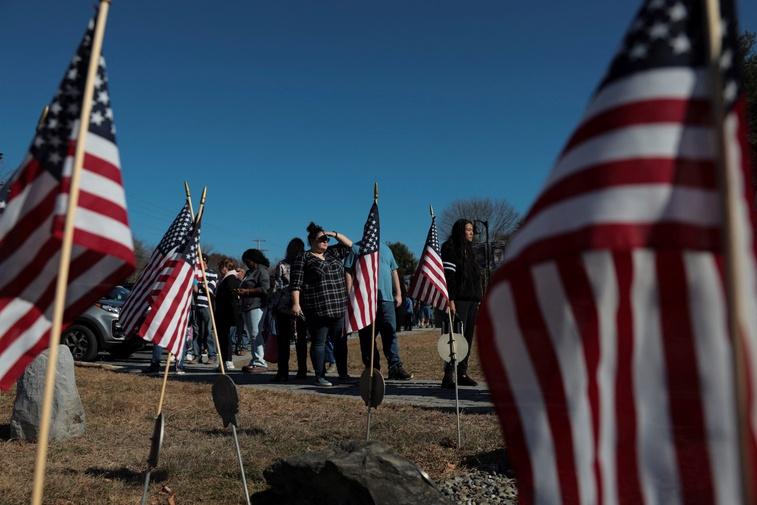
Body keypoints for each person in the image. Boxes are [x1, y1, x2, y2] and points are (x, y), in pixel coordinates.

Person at [290, 223, 354, 387]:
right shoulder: (303, 257)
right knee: (319, 342)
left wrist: (333, 233)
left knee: (341, 342)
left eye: (327, 239)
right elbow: (295, 283)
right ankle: (320, 376)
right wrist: (296, 304)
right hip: (317, 307)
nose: (325, 242)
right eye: (321, 239)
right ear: (311, 241)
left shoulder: (333, 253)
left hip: (339, 305)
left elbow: (350, 245)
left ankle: (343, 374)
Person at [345, 241, 413, 380]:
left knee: (390, 333)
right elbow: (348, 270)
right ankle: (372, 370)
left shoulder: (387, 249)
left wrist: (399, 293)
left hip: (386, 299)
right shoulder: (357, 248)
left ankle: (395, 367)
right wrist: (350, 293)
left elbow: (394, 271)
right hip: (365, 299)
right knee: (367, 337)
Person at [441, 219, 482, 388]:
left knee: (468, 337)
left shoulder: (470, 251)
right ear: (460, 231)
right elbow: (448, 277)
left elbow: (475, 278)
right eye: (468, 230)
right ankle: (448, 374)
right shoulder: (450, 248)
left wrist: (478, 299)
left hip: (472, 300)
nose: (471, 233)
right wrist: (450, 300)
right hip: (457, 300)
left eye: (472, 230)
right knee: (454, 337)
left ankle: (462, 373)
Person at [268, 238, 308, 381]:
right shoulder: (305, 264)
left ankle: (283, 372)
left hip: (283, 308)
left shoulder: (282, 265)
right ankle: (302, 371)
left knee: (283, 342)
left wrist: (273, 307)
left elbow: (276, 289)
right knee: (300, 341)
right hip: (301, 307)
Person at [238, 249, 270, 372]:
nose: (246, 263)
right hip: (246, 305)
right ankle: (255, 359)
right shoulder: (249, 272)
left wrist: (248, 291)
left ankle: (260, 361)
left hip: (257, 305)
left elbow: (265, 288)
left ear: (254, 259)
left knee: (256, 333)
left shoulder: (262, 271)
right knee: (252, 335)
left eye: (248, 261)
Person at [189, 254, 218, 364]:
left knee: (208, 332)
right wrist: (199, 284)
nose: (201, 263)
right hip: (195, 306)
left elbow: (210, 288)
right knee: (196, 332)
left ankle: (212, 355)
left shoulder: (212, 273)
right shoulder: (194, 273)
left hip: (206, 306)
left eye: (202, 261)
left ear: (206, 261)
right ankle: (197, 355)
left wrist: (200, 285)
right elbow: (194, 290)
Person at [214, 258, 242, 371]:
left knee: (226, 339)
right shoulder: (226, 279)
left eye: (221, 267)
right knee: (222, 338)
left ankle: (228, 361)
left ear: (226, 267)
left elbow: (232, 298)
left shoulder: (230, 279)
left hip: (227, 314)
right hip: (223, 313)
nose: (220, 270)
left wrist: (233, 315)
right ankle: (223, 361)